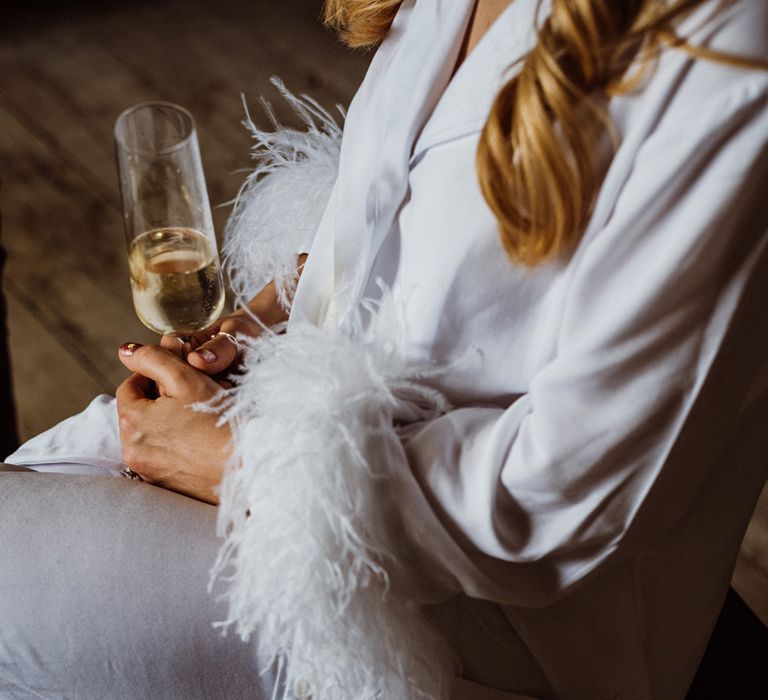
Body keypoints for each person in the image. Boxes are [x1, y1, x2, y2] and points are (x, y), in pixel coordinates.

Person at [2, 0, 767, 698]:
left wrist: (241, 463)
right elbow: (417, 212)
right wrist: (284, 305)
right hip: (313, 431)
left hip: (487, 620)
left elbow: (565, 500)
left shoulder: (732, 63)